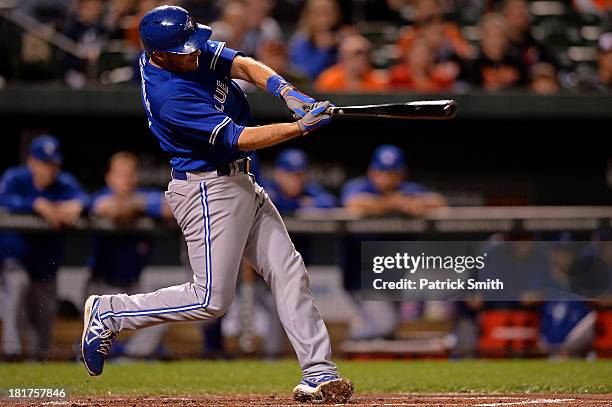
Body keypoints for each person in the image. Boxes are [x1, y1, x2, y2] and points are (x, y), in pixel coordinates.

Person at [80, 6, 353, 404]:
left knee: (288, 269)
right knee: (210, 299)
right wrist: (299, 128)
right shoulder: (169, 94)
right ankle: (111, 312)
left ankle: (318, 371)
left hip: (239, 181)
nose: (195, 53)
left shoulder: (179, 50)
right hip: (208, 190)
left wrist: (286, 92)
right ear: (159, 54)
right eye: (185, 50)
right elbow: (240, 138)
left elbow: (241, 64)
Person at [340, 145, 447, 340]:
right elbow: (353, 203)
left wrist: (415, 203)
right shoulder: (359, 186)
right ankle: (350, 336)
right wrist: (393, 204)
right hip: (362, 278)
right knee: (385, 325)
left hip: (393, 276)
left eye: (392, 173)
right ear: (372, 171)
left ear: (402, 174)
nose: (386, 178)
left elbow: (439, 202)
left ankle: (365, 354)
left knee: (390, 330)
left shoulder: (407, 190)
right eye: (382, 172)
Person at [0, 135, 88, 360]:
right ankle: (11, 353)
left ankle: (38, 364)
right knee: (17, 287)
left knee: (43, 329)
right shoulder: (15, 179)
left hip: (46, 265)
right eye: (44, 162)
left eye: (53, 163)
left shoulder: (64, 183)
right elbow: (4, 199)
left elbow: (85, 199)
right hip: (16, 260)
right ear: (32, 161)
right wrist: (36, 204)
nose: (50, 169)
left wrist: (77, 204)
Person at [87, 151, 173, 359]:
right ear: (109, 177)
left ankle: (128, 361)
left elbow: (170, 207)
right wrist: (136, 207)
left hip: (135, 283)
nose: (125, 180)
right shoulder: (101, 196)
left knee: (161, 316)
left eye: (130, 174)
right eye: (120, 174)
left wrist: (135, 205)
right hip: (101, 285)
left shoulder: (144, 196)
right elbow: (109, 209)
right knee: (97, 334)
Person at [262, 148, 336, 212]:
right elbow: (276, 202)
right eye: (290, 175)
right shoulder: (267, 189)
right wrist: (299, 203)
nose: (296, 181)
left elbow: (329, 201)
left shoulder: (307, 190)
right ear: (278, 174)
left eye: (299, 175)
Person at [469, 13, 528, 92]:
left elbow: (525, 91)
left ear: (506, 39)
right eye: (491, 37)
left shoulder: (517, 64)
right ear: (483, 39)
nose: (495, 41)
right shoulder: (473, 66)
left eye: (499, 36)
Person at [288, 0, 346, 80]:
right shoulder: (301, 40)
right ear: (309, 15)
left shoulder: (343, 39)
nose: (325, 17)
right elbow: (307, 74)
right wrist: (323, 50)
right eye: (319, 13)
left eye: (328, 12)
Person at [315, 35, 388, 92]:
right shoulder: (328, 81)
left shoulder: (378, 83)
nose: (358, 62)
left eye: (363, 57)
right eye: (353, 57)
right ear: (342, 58)